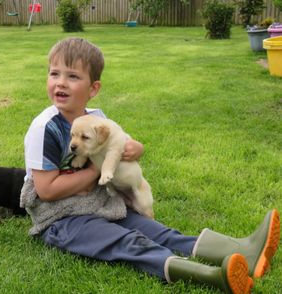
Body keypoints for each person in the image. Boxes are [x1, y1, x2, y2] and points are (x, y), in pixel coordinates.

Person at [22, 37, 280, 293]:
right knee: (126, 242)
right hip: (61, 220)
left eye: (73, 76)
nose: (61, 83)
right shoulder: (45, 127)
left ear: (94, 88)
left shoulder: (97, 120)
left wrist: (137, 148)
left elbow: (121, 143)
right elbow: (46, 190)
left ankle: (245, 251)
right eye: (54, 73)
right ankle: (212, 277)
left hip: (99, 203)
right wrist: (96, 169)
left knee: (158, 232)